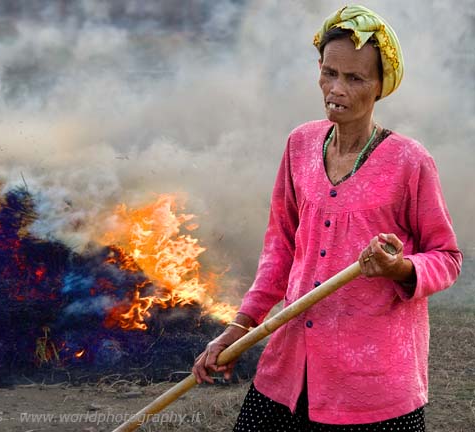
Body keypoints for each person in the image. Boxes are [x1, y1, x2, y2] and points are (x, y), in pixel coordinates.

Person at [192, 5, 462, 431]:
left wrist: (401, 267)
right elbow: (279, 249)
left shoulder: (411, 162)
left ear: (380, 87)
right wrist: (240, 326)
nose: (336, 88)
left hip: (371, 388)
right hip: (288, 371)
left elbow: (446, 256)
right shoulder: (299, 145)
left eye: (355, 78)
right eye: (329, 72)